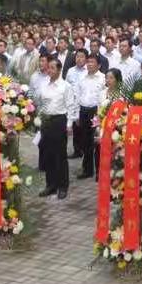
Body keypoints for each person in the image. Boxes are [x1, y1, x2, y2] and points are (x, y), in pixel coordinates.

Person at [36, 58, 76, 200]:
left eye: (53, 68)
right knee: (47, 154)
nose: (50, 70)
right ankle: (50, 184)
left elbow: (70, 105)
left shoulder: (65, 86)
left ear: (59, 70)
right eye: (49, 67)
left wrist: (69, 124)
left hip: (59, 121)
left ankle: (62, 186)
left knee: (60, 155)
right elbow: (40, 102)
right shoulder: (44, 84)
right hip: (46, 121)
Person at [75, 55, 105, 179]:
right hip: (83, 111)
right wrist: (76, 114)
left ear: (99, 65)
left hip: (97, 112)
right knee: (85, 141)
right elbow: (77, 96)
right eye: (88, 62)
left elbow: (104, 98)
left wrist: (101, 115)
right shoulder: (82, 78)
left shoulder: (103, 78)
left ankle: (99, 171)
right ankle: (87, 170)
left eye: (92, 62)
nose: (89, 64)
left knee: (97, 142)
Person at [66, 49, 88, 159]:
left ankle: (85, 149)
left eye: (82, 56)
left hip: (84, 102)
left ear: (86, 58)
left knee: (83, 127)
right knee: (75, 127)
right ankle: (77, 150)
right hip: (72, 102)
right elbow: (66, 85)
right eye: (77, 56)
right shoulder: (70, 71)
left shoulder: (88, 71)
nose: (79, 59)